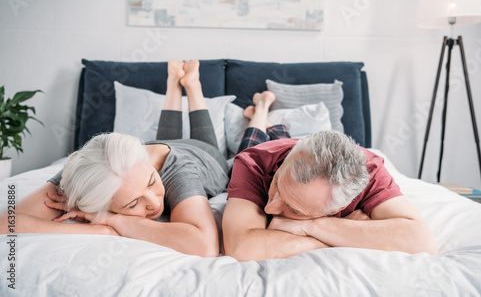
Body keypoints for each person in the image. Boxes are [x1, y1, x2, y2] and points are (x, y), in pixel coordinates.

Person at [0, 60, 229, 257]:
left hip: (205, 155)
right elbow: (6, 222)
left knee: (207, 144)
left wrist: (114, 221)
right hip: (156, 152)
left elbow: (205, 246)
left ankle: (191, 85)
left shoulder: (179, 169)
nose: (154, 202)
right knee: (166, 142)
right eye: (133, 203)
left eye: (151, 182)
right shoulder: (91, 169)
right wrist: (97, 231)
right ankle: (175, 83)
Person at [222, 130, 439, 261]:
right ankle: (263, 114)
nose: (269, 208)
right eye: (277, 183)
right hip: (278, 146)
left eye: (295, 210)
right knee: (257, 136)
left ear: (334, 211)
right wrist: (350, 235)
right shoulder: (254, 162)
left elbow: (422, 242)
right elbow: (241, 247)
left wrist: (314, 227)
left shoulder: (371, 171)